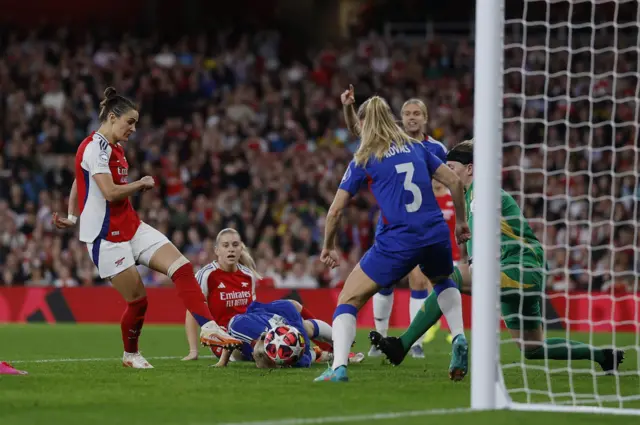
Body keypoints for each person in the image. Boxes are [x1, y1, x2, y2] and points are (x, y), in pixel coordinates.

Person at [370, 139, 624, 374]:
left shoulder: (481, 193)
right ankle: (603, 356)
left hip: (521, 268)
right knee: (532, 348)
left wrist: (476, 266)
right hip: (517, 270)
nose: (446, 172)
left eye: (451, 167)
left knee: (448, 278)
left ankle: (402, 345)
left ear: (469, 169)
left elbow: (481, 232)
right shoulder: (471, 196)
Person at [53, 87, 240, 369]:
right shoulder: (95, 148)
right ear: (113, 117)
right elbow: (109, 192)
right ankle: (130, 354)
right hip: (105, 239)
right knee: (139, 301)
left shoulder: (113, 148)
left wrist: (71, 214)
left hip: (131, 227)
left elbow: (80, 179)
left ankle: (210, 328)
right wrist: (140, 184)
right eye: (130, 122)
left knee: (182, 267)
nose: (134, 129)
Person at [315, 95, 470, 383]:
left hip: (399, 238)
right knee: (442, 280)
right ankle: (459, 337)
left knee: (349, 297)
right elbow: (456, 182)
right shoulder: (417, 147)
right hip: (435, 232)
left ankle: (337, 368)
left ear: (364, 123)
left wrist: (328, 246)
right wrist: (461, 222)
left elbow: (336, 210)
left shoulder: (364, 157)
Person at [341, 85, 450, 359]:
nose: (412, 118)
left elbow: (450, 180)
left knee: (419, 279)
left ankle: (415, 342)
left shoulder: (434, 147)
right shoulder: (394, 137)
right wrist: (348, 108)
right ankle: (382, 338)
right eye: (407, 113)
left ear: (425, 118)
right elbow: (360, 129)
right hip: (393, 219)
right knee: (386, 283)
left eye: (417, 114)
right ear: (398, 118)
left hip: (423, 219)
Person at [213, 299, 365, 368]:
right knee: (236, 357)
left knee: (305, 326)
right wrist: (222, 362)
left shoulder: (293, 328)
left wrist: (339, 342)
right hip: (259, 315)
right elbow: (230, 338)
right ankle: (329, 354)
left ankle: (338, 340)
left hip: (281, 316)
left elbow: (303, 356)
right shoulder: (239, 326)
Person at [182, 228, 258, 361]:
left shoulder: (248, 275)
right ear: (217, 250)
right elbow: (192, 310)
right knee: (258, 353)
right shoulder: (206, 275)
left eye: (235, 245)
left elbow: (253, 310)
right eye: (225, 245)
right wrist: (193, 351)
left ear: (241, 249)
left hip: (247, 332)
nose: (231, 249)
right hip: (222, 339)